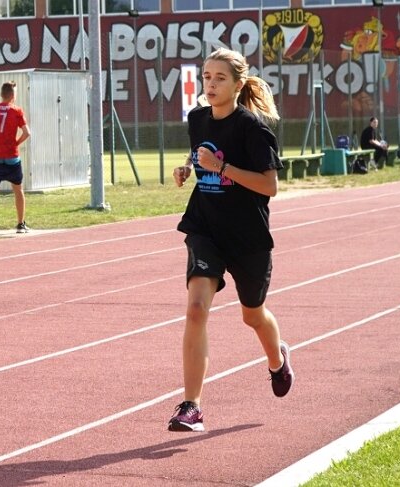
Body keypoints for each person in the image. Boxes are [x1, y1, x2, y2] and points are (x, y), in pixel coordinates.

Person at [168, 48, 294, 432]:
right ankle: (191, 406)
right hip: (205, 227)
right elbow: (199, 152)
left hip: (247, 236)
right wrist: (187, 168)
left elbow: (270, 186)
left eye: (220, 78)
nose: (211, 84)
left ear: (238, 84)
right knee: (195, 309)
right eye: (207, 77)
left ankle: (277, 358)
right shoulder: (197, 118)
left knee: (252, 315)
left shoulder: (254, 129)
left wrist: (221, 167)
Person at [0, 81, 31, 236]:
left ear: (2, 94)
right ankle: (20, 223)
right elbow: (27, 133)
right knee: (18, 189)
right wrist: (16, 143)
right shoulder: (17, 111)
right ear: (13, 95)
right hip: (12, 157)